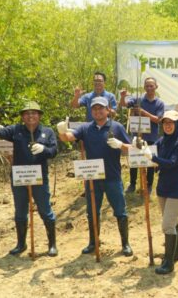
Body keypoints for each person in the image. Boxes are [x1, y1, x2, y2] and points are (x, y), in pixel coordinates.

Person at [57, 97, 134, 257]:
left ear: (107, 110)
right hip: (92, 178)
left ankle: (125, 243)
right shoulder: (85, 128)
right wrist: (62, 131)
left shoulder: (117, 127)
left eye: (101, 108)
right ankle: (93, 242)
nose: (98, 111)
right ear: (91, 111)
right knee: (92, 212)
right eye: (94, 109)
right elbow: (69, 138)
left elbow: (132, 149)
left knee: (120, 211)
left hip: (113, 177)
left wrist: (121, 145)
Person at [0, 101, 59, 256]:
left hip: (40, 177)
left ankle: (52, 244)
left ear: (39, 115)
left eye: (34, 113)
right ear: (22, 117)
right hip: (19, 176)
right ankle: (21, 244)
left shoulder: (47, 132)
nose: (30, 116)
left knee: (45, 210)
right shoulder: (16, 130)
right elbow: (1, 133)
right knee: (20, 210)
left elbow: (54, 151)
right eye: (27, 113)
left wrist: (44, 149)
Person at [142, 111, 178, 274]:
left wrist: (154, 158)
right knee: (172, 220)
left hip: (177, 188)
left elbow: (171, 163)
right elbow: (148, 149)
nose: (168, 125)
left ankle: (168, 262)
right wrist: (138, 144)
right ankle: (177, 253)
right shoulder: (161, 141)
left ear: (177, 125)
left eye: (171, 122)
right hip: (163, 187)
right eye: (165, 122)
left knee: (167, 225)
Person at [121, 77, 165, 194]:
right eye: (147, 86)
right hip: (137, 135)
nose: (149, 88)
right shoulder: (138, 100)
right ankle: (132, 184)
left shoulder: (160, 103)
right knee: (135, 160)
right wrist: (122, 97)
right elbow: (124, 105)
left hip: (152, 137)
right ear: (144, 87)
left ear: (156, 86)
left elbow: (158, 120)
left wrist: (143, 112)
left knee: (150, 161)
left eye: (151, 85)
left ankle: (149, 185)